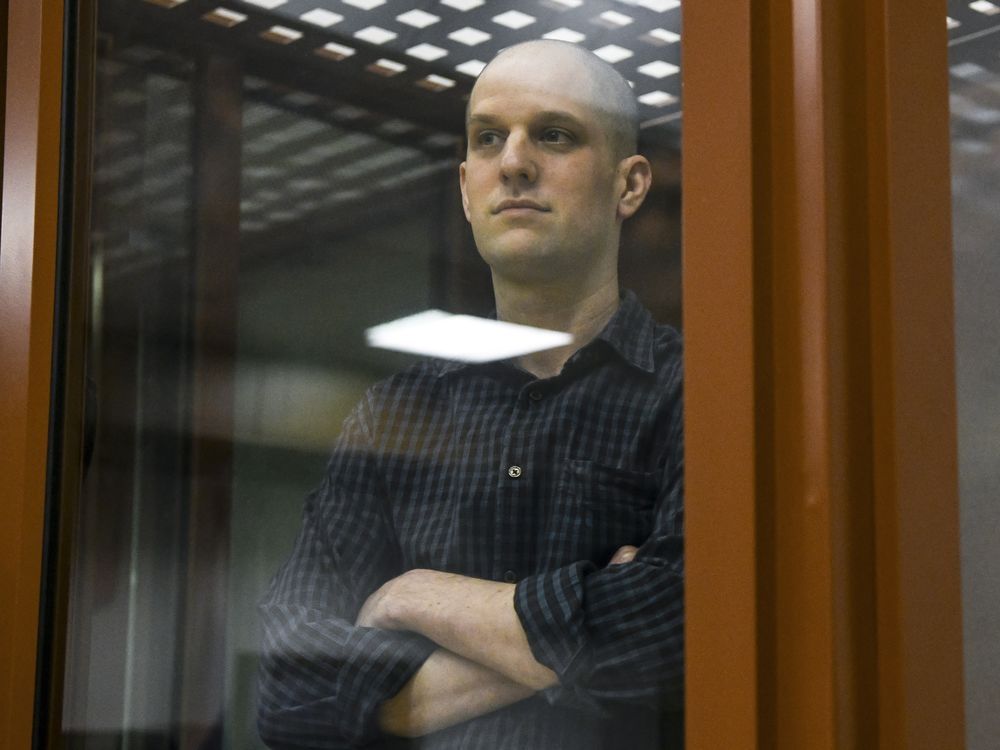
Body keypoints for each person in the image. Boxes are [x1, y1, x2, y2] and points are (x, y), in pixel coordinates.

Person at [257, 39, 684, 749]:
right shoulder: (397, 413)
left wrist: (416, 598)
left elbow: (688, 624)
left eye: (554, 134)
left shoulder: (693, 393)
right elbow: (288, 694)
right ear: (464, 186)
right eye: (489, 138)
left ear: (629, 185)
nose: (513, 161)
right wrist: (587, 629)